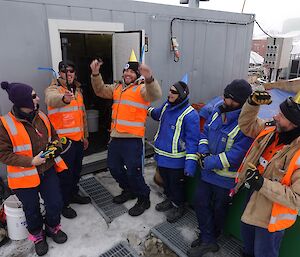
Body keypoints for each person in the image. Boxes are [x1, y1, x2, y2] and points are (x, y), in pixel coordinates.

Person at [90, 50, 162, 216]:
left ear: (137, 75)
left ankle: (144, 198)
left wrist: (149, 78)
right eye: (126, 70)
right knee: (114, 167)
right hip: (116, 138)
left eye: (132, 71)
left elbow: (156, 94)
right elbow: (100, 90)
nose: (128, 73)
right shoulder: (117, 88)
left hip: (133, 140)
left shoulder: (143, 89)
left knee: (133, 171)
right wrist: (95, 73)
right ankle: (128, 190)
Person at [0, 82, 68, 256]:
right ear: (23, 101)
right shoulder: (5, 124)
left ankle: (53, 228)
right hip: (23, 177)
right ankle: (38, 235)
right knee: (31, 209)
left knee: (55, 202)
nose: (37, 98)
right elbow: (3, 154)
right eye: (33, 96)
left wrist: (56, 146)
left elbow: (54, 136)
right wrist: (31, 161)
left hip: (47, 170)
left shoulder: (42, 116)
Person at [187, 79, 253, 257]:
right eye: (225, 95)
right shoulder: (217, 112)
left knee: (218, 210)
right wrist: (204, 152)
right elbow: (204, 134)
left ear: (241, 102)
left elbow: (238, 154)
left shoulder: (246, 125)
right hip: (207, 173)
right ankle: (208, 239)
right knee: (200, 203)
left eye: (230, 98)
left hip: (225, 180)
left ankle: (210, 237)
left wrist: (210, 161)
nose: (225, 100)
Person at [234, 90, 300, 257]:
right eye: (279, 112)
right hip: (253, 195)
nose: (276, 117)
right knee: (247, 241)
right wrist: (252, 104)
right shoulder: (272, 130)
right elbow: (246, 125)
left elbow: (297, 199)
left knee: (264, 252)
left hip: (272, 216)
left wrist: (262, 184)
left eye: (282, 116)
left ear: (295, 123)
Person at [148, 80, 200, 223]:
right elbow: (156, 114)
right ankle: (169, 199)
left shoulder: (191, 115)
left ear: (182, 95)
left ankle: (178, 205)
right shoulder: (166, 106)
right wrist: (146, 109)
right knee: (166, 183)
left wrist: (190, 165)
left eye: (174, 92)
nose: (170, 94)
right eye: (170, 90)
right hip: (162, 156)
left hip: (176, 161)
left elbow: (192, 141)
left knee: (176, 186)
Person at [45, 60, 91, 219]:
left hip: (78, 141)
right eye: (65, 71)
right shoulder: (53, 90)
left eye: (72, 71)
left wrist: (85, 136)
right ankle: (64, 204)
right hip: (64, 144)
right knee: (64, 175)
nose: (69, 74)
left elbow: (82, 116)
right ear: (60, 73)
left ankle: (73, 195)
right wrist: (64, 98)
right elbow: (51, 100)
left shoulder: (77, 92)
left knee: (76, 172)